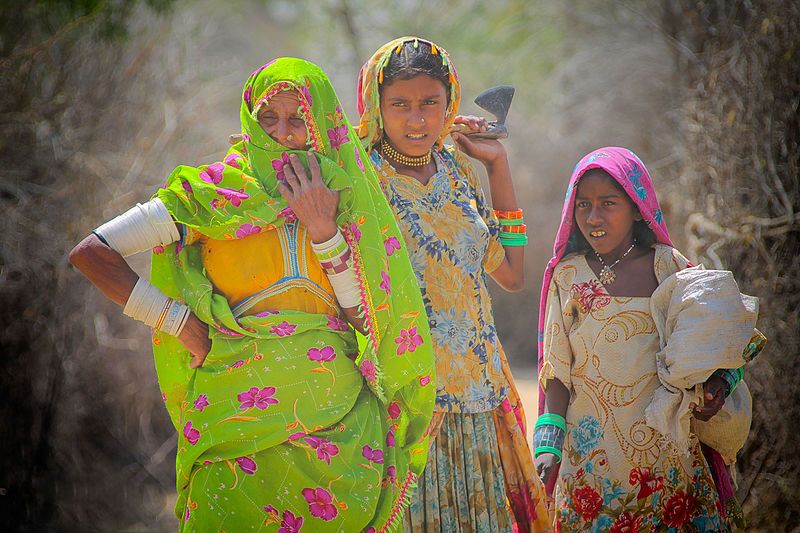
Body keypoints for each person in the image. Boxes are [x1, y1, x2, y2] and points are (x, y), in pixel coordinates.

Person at [69, 57, 436, 532]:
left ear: (321, 121)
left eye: (297, 119)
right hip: (231, 419)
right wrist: (178, 322)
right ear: (249, 117)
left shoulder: (343, 191)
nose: (282, 133)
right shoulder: (212, 195)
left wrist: (324, 230)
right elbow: (91, 253)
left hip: (336, 429)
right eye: (269, 118)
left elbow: (368, 318)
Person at [356, 37, 551, 532]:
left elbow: (510, 274)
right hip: (408, 399)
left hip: (478, 391)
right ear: (376, 107)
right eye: (399, 105)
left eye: (430, 104)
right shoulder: (361, 181)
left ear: (450, 105)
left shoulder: (458, 172)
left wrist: (497, 166)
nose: (416, 119)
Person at [534, 147, 764, 531]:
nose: (593, 217)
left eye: (608, 203)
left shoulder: (668, 266)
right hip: (592, 461)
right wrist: (548, 445)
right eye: (583, 205)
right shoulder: (568, 277)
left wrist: (717, 386)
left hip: (665, 455)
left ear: (638, 207)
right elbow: (557, 371)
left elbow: (723, 343)